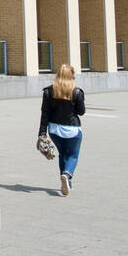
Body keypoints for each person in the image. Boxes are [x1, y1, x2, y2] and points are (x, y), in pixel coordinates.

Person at [39, 63, 86, 196]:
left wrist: (42, 133)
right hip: (73, 130)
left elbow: (45, 113)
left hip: (54, 130)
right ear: (71, 76)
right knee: (72, 155)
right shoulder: (77, 92)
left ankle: (65, 180)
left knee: (63, 154)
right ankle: (67, 175)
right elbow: (81, 112)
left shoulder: (49, 91)